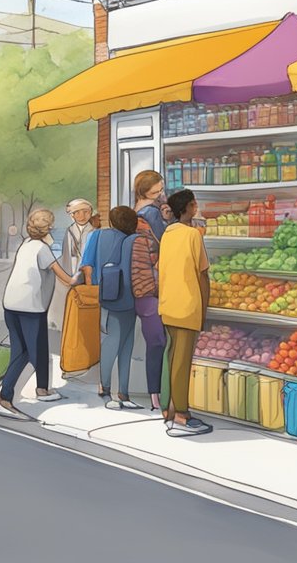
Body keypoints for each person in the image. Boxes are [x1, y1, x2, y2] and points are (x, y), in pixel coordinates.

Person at [0, 210, 77, 420]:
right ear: (48, 229)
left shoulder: (25, 246)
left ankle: (42, 389)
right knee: (29, 352)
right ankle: (5, 396)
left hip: (12, 304)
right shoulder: (43, 249)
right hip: (31, 308)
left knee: (30, 349)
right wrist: (85, 274)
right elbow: (66, 280)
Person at [158, 190, 213, 437]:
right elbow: (202, 273)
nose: (196, 207)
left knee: (170, 358)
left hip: (168, 303)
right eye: (193, 204)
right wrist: (204, 305)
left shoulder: (167, 234)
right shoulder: (193, 234)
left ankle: (167, 408)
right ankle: (181, 414)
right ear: (188, 208)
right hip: (188, 303)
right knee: (182, 361)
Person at [89, 207, 142, 410]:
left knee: (112, 339)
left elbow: (91, 265)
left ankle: (106, 387)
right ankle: (122, 392)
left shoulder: (98, 236)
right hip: (128, 296)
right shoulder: (132, 240)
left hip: (108, 293)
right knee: (125, 344)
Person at [132, 170, 168, 411]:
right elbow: (167, 240)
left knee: (151, 340)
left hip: (139, 285)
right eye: (159, 188)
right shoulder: (151, 213)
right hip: (155, 283)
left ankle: (154, 394)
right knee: (159, 341)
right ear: (150, 190)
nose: (162, 191)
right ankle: (157, 394)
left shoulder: (135, 211)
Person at [62, 199, 96, 275]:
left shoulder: (94, 232)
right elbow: (66, 254)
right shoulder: (70, 231)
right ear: (72, 215)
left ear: (90, 213)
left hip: (89, 270)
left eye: (85, 212)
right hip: (73, 268)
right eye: (77, 212)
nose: (82, 216)